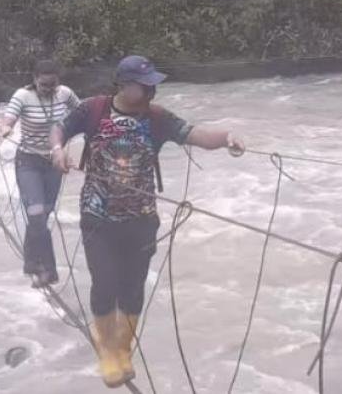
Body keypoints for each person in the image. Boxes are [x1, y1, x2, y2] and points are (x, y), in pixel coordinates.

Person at [49, 55, 245, 388]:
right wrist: (57, 149)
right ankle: (107, 351)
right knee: (104, 283)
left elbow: (195, 134)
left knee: (133, 287)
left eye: (153, 85)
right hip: (97, 217)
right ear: (123, 85)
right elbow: (60, 128)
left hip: (141, 219)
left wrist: (227, 137)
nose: (152, 90)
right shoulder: (93, 109)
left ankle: (123, 350)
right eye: (145, 85)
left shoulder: (157, 117)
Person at [0, 60, 81, 288]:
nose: (49, 89)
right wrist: (6, 128)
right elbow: (8, 119)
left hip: (54, 164)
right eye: (44, 85)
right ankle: (48, 270)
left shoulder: (65, 94)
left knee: (43, 216)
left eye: (53, 84)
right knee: (36, 214)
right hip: (29, 162)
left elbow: (82, 113)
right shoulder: (22, 96)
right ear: (34, 80)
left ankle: (30, 262)